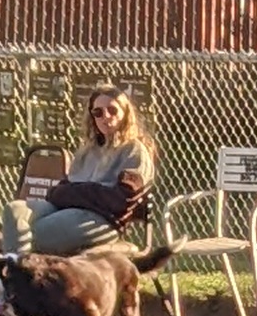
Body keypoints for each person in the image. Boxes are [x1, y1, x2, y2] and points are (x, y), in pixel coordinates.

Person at [10, 90, 155, 259]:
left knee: (29, 233)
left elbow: (121, 200)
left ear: (125, 113)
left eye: (112, 110)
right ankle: (15, 268)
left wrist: (76, 193)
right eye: (98, 112)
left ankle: (14, 271)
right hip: (69, 210)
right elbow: (57, 192)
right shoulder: (88, 151)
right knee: (14, 212)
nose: (106, 116)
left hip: (101, 220)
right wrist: (79, 192)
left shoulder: (134, 150)